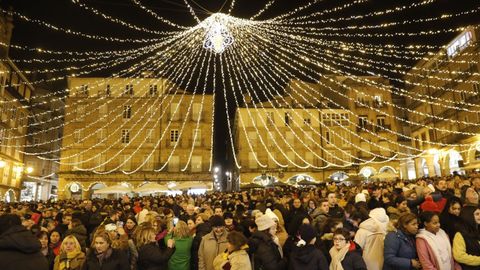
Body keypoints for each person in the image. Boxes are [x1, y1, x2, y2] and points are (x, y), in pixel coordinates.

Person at [452, 205, 480, 270]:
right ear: (468, 216)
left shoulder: (477, 229)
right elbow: (459, 256)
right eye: (477, 214)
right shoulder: (459, 235)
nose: (479, 216)